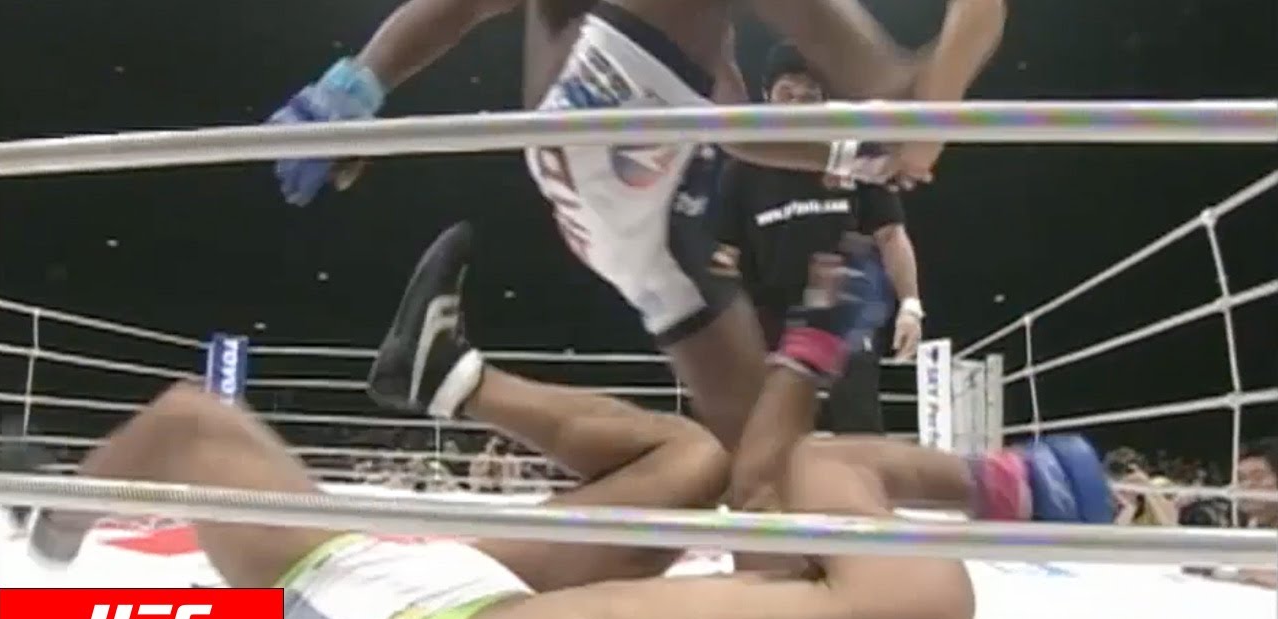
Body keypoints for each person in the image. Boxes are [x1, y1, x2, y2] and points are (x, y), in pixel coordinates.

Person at [22, 226, 1137, 619]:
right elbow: (761, 494)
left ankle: (54, 528)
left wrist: (995, 486)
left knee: (189, 421)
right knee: (694, 466)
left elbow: (821, 465)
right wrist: (804, 353)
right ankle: (447, 377)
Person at [269, 0, 1006, 458]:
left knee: (760, 465)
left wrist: (855, 152)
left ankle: (453, 378)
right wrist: (357, 84)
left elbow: (732, 129)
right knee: (769, 465)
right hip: (609, 154)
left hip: (624, 200)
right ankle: (902, 100)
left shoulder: (696, 37)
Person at [716, 42, 924, 435]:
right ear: (768, 97)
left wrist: (911, 305)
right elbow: (725, 254)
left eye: (809, 95)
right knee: (771, 434)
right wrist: (723, 325)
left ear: (824, 101)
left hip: (846, 311)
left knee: (859, 430)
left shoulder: (855, 154)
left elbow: (891, 233)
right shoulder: (742, 168)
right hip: (771, 318)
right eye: (787, 93)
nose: (798, 103)